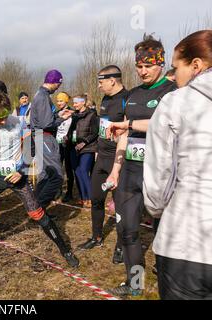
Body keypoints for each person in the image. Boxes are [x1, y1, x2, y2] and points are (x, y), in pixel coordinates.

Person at [0, 91, 80, 268]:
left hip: (18, 176)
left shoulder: (18, 123)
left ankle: (65, 251)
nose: (2, 122)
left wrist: (22, 170)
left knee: (37, 213)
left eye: (4, 117)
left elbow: (32, 146)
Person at [144, 30, 212, 300]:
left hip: (186, 243)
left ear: (196, 65)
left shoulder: (176, 102)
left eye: (176, 67)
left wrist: (156, 210)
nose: (173, 76)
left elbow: (158, 180)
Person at [105, 34, 177, 297]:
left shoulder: (172, 92)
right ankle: (134, 283)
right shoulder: (133, 95)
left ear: (161, 63)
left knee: (164, 232)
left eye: (148, 65)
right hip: (131, 172)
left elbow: (165, 125)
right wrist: (115, 169)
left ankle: (166, 276)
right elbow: (123, 134)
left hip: (160, 171)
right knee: (127, 229)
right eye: (139, 65)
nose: (143, 70)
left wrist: (130, 125)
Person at [77, 66, 128, 266]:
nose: (98, 86)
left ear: (112, 80)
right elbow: (103, 127)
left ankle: (121, 246)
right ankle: (96, 237)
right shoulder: (105, 100)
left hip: (117, 160)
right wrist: (98, 149)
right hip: (102, 157)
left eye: (101, 82)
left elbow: (127, 132)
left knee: (120, 207)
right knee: (96, 199)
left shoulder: (127, 98)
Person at [30, 70, 65, 211]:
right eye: (58, 84)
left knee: (44, 174)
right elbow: (46, 123)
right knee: (56, 176)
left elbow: (46, 117)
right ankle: (39, 209)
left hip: (39, 137)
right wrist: (62, 119)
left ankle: (35, 208)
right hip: (45, 137)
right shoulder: (43, 96)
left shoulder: (40, 94)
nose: (58, 87)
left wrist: (58, 114)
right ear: (55, 82)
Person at [68, 95, 99, 208]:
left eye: (76, 103)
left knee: (83, 170)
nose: (74, 105)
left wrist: (84, 142)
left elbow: (95, 133)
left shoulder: (92, 114)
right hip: (74, 147)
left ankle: (91, 198)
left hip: (88, 147)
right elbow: (71, 130)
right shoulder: (74, 115)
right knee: (77, 172)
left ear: (83, 103)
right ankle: (83, 198)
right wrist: (68, 137)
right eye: (74, 102)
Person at [55, 92, 77, 203]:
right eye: (58, 101)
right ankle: (58, 192)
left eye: (61, 101)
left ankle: (69, 192)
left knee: (68, 168)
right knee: (58, 168)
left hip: (68, 144)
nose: (59, 103)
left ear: (66, 101)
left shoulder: (73, 112)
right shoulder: (57, 113)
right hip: (57, 144)